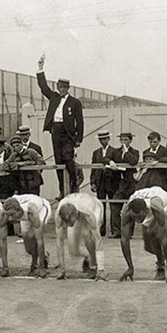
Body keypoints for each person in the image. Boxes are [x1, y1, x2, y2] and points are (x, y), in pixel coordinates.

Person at [36, 54, 83, 197]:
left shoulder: (75, 102)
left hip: (68, 132)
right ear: (57, 87)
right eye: (60, 87)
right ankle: (62, 189)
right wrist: (40, 68)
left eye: (64, 87)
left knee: (67, 156)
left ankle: (74, 183)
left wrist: (78, 139)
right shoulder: (54, 97)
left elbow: (80, 121)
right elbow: (43, 87)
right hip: (55, 130)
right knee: (58, 160)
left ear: (68, 88)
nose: (62, 89)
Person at [119, 186, 167, 283]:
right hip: (148, 199)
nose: (137, 220)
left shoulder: (157, 209)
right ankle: (161, 258)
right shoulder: (126, 212)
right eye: (134, 217)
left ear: (146, 212)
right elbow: (124, 240)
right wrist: (130, 267)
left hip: (166, 203)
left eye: (139, 217)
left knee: (154, 233)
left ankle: (162, 266)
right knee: (147, 245)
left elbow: (164, 239)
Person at [55, 193, 106, 281]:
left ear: (76, 215)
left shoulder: (88, 214)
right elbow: (59, 240)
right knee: (73, 249)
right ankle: (88, 256)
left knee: (88, 236)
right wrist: (61, 268)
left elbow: (98, 240)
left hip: (94, 206)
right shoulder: (58, 215)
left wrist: (101, 268)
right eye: (66, 223)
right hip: (77, 206)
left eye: (70, 222)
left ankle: (93, 265)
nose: (68, 225)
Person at [0, 194, 51, 278]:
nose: (10, 218)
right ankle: (44, 255)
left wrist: (42, 268)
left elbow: (40, 240)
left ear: (19, 211)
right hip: (25, 212)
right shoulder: (4, 214)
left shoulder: (31, 211)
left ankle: (35, 265)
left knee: (32, 236)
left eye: (12, 215)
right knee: (28, 248)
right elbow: (2, 240)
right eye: (8, 215)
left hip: (41, 209)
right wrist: (5, 267)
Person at [108, 133, 140, 239]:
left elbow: (133, 161)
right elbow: (105, 158)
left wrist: (126, 151)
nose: (123, 142)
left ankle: (129, 233)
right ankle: (117, 231)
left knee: (131, 207)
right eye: (121, 140)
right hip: (120, 183)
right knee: (115, 205)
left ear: (130, 141)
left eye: (125, 140)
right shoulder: (115, 152)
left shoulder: (134, 152)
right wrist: (111, 161)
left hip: (130, 183)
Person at [90, 130, 119, 237]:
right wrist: (93, 182)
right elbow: (93, 167)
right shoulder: (95, 152)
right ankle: (101, 230)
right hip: (100, 181)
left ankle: (114, 230)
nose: (103, 141)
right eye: (101, 139)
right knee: (100, 206)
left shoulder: (114, 151)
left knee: (113, 205)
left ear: (108, 139)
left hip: (111, 181)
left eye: (105, 139)